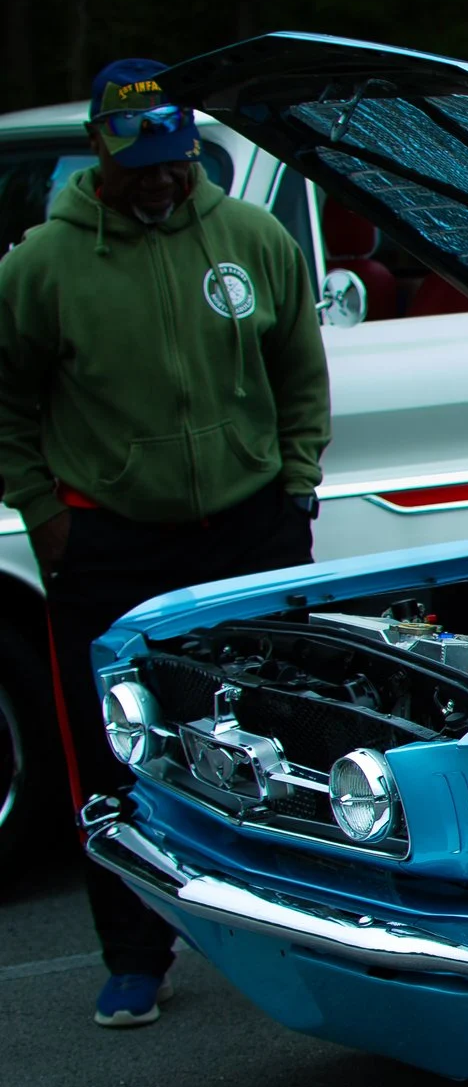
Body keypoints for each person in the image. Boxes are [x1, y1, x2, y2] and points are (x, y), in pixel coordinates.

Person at [0, 58, 331, 1027]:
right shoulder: (41, 267)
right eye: (140, 164)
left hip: (249, 525)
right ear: (102, 155)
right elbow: (11, 398)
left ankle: (298, 925)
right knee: (112, 742)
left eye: (175, 161)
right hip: (108, 540)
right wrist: (42, 514)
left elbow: (297, 367)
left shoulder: (251, 237)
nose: (160, 180)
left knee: (280, 726)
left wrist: (298, 481)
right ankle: (135, 954)